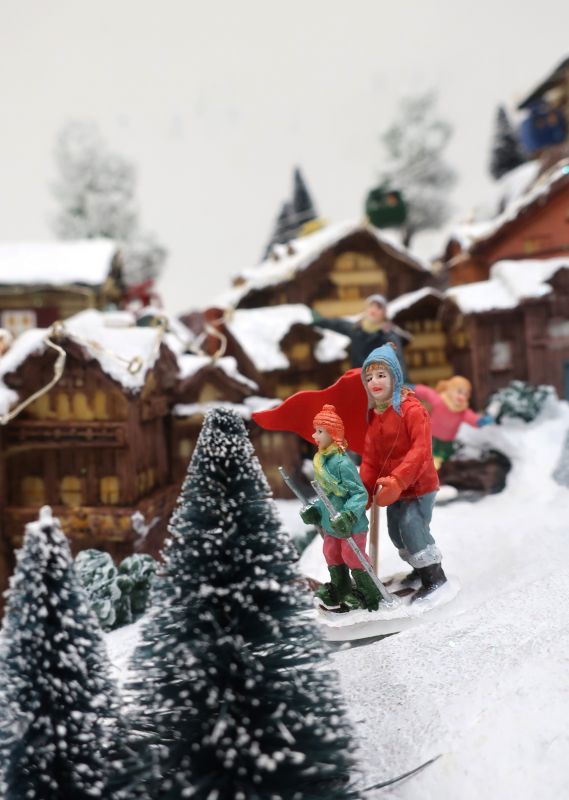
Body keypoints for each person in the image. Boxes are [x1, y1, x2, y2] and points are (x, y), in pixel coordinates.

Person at [359, 343, 447, 600]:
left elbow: (421, 451)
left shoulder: (412, 410)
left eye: (381, 375)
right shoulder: (375, 416)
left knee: (412, 527)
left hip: (419, 486)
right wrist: (365, 490)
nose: (374, 381)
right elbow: (371, 458)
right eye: (369, 377)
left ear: (395, 376)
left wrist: (398, 480)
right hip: (392, 488)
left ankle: (434, 575)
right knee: (396, 533)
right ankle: (419, 569)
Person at [299, 404, 381, 611]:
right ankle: (342, 590)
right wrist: (316, 509)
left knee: (352, 555)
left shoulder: (342, 464)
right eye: (315, 430)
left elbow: (359, 493)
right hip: (330, 521)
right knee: (331, 553)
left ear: (333, 434)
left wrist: (348, 515)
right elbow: (326, 495)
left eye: (319, 431)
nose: (314, 435)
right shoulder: (320, 461)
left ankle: (369, 593)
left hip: (350, 523)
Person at [312, 294, 410, 375]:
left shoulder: (389, 336)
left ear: (384, 313)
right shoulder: (356, 329)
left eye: (379, 307)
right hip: (357, 380)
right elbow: (336, 324)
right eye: (371, 305)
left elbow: (398, 364)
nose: (374, 309)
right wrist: (313, 319)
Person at [414, 377, 493, 470]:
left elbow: (472, 417)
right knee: (429, 456)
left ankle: (440, 472)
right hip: (431, 437)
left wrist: (480, 421)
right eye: (459, 392)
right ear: (450, 390)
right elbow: (426, 392)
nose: (462, 396)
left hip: (448, 442)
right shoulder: (440, 401)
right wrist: (414, 388)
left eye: (466, 394)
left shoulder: (462, 411)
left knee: (445, 459)